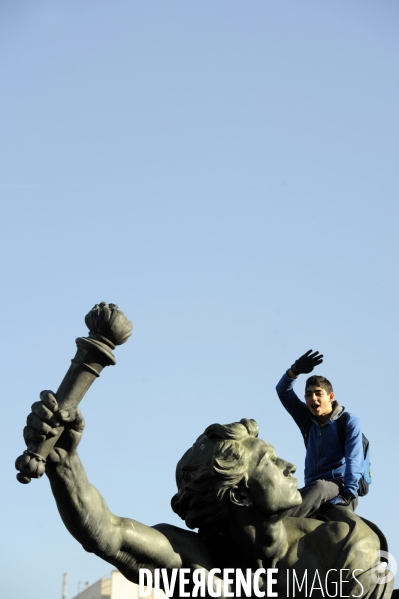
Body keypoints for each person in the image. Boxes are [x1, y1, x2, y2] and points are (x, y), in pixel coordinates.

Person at [20, 390, 393, 598]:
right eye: (269, 462)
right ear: (239, 496)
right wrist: (64, 461)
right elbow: (106, 532)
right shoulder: (196, 559)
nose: (290, 467)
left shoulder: (346, 549)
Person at [276, 349, 364, 518]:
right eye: (309, 395)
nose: (313, 399)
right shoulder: (307, 419)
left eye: (318, 393)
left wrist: (349, 493)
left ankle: (279, 521)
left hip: (340, 486)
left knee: (320, 487)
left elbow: (355, 459)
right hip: (312, 489)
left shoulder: (348, 422)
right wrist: (294, 371)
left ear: (331, 396)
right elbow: (283, 392)